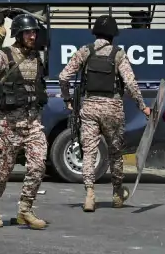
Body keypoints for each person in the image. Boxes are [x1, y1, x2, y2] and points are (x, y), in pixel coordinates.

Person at [58, 14, 150, 212]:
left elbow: (63, 77)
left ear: (95, 33)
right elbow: (131, 83)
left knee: (89, 152)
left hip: (89, 108)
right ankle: (117, 193)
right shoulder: (118, 54)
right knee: (115, 153)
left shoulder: (85, 51)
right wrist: (143, 106)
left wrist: (67, 100)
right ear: (113, 35)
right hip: (113, 109)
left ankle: (89, 195)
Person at [0, 12, 49, 230]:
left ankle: (25, 209)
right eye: (28, 33)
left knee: (38, 166)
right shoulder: (3, 57)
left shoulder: (37, 57)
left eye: (34, 33)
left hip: (33, 123)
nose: (32, 36)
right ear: (18, 34)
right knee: (2, 172)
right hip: (8, 125)